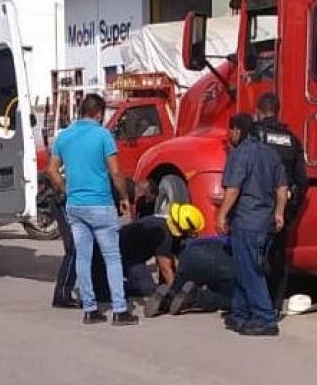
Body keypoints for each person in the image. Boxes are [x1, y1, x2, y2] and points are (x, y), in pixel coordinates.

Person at [47, 94, 138, 326]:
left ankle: (90, 309)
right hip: (100, 204)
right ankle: (119, 309)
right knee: (112, 257)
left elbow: (52, 170)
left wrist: (66, 189)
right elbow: (115, 172)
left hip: (75, 205)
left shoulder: (64, 136)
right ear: (98, 113)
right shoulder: (103, 135)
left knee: (83, 257)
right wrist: (124, 197)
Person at [216, 113, 288, 337]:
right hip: (265, 222)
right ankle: (240, 313)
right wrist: (279, 213)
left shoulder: (239, 154)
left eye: (230, 131)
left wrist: (221, 215)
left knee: (251, 271)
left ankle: (265, 318)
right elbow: (282, 188)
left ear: (237, 131)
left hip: (247, 221)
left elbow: (233, 188)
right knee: (243, 268)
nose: (228, 135)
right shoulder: (271, 154)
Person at [254, 92, 308, 317]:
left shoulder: (255, 135)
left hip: (257, 206)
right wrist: (290, 208)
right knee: (278, 256)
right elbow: (302, 181)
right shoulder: (292, 139)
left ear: (258, 112)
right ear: (278, 111)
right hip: (283, 207)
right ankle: (275, 305)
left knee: (254, 256)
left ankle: (257, 306)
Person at [93, 203, 205, 302]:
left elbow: (176, 261)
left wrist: (185, 281)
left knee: (152, 285)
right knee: (147, 289)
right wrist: (176, 292)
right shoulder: (164, 236)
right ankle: (109, 286)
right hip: (120, 255)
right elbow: (165, 268)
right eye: (189, 232)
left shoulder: (167, 224)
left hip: (131, 254)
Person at [144, 234, 235, 318]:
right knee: (235, 300)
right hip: (222, 259)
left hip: (192, 251)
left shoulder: (229, 235)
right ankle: (196, 297)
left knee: (179, 289)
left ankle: (168, 298)